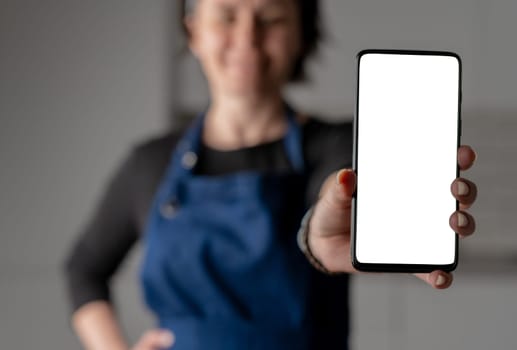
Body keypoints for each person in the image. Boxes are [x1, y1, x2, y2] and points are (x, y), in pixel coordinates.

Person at [64, 0, 478, 349]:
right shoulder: (150, 163)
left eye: (271, 19)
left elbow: (324, 213)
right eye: (226, 16)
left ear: (302, 33)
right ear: (193, 33)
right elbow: (84, 268)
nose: (247, 38)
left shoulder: (343, 148)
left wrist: (320, 236)